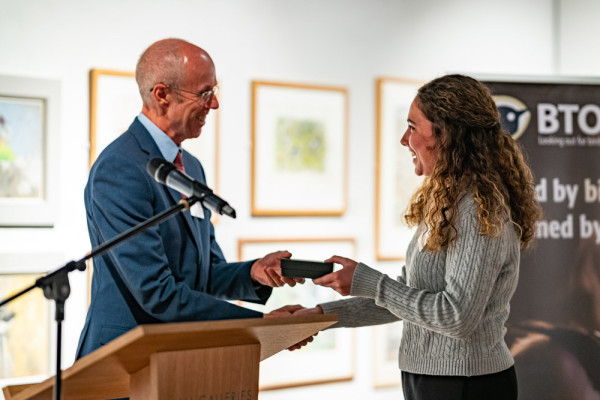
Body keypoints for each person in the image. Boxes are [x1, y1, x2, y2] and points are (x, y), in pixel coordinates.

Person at [271, 74, 542, 399]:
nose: (404, 139)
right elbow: (405, 300)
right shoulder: (445, 203)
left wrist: (369, 281)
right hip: (428, 378)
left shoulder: (477, 210)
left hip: (466, 384)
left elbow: (457, 318)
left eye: (413, 127)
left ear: (446, 135)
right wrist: (320, 317)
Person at [76, 38, 301, 360]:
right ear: (162, 95)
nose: (214, 105)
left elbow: (203, 274)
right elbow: (157, 293)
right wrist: (262, 324)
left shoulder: (190, 167)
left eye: (215, 92)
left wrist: (254, 271)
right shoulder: (120, 168)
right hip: (123, 361)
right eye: (205, 94)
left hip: (181, 359)